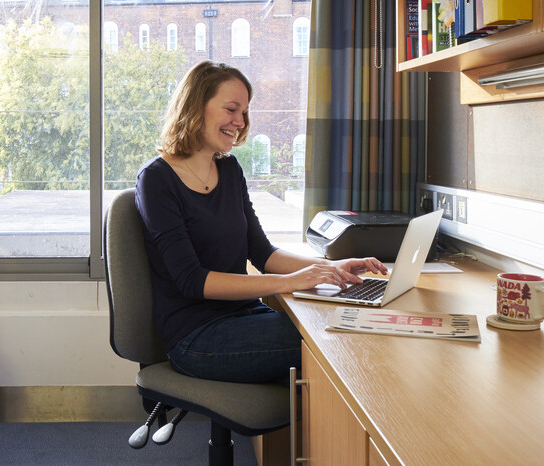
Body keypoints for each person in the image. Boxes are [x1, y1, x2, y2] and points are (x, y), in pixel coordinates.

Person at [134, 60, 387, 385]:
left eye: (244, 112)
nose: (240, 122)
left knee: (344, 321)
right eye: (231, 109)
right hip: (196, 336)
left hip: (245, 315)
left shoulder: (229, 169)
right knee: (338, 337)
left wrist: (330, 266)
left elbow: (262, 253)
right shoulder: (156, 180)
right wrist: (292, 281)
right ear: (196, 106)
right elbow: (193, 281)